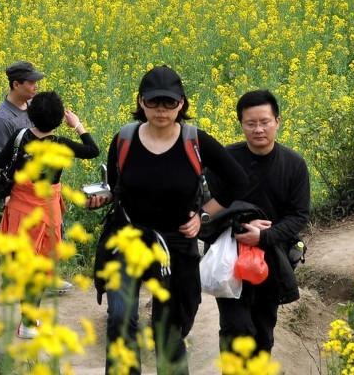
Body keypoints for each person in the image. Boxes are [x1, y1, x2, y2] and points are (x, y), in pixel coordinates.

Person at [93, 66, 250, 375]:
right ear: (140, 102)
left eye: (169, 103)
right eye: (153, 103)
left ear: (182, 104)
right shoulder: (124, 139)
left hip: (175, 246)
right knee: (120, 318)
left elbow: (238, 182)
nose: (161, 110)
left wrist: (203, 215)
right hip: (127, 240)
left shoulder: (195, 140)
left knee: (168, 327)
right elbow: (116, 187)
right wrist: (102, 198)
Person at [212, 90, 310, 355]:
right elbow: (207, 208)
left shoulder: (294, 164)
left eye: (265, 122)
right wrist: (239, 226)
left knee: (263, 332)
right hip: (231, 257)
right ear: (241, 124)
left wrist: (264, 237)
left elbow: (299, 215)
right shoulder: (225, 160)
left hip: (273, 257)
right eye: (250, 123)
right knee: (235, 329)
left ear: (277, 121)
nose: (258, 129)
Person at [0, 91, 99, 337]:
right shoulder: (60, 144)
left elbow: (0, 163)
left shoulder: (21, 137)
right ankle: (29, 324)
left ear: (30, 115)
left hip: (20, 206)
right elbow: (92, 150)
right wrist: (78, 126)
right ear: (60, 120)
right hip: (47, 210)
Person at [0, 61, 43, 161]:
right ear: (16, 85)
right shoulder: (2, 120)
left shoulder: (34, 104)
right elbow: (0, 163)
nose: (36, 86)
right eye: (31, 82)